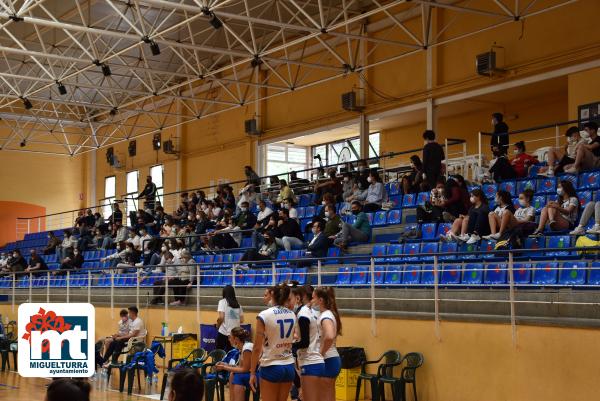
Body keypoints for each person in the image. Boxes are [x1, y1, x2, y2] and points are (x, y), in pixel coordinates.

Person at [249, 283, 297, 401]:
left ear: (272, 295)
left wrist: (252, 373)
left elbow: (256, 348)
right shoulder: (292, 314)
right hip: (289, 366)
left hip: (271, 365)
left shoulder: (264, 315)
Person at [294, 285, 322, 401]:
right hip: (314, 359)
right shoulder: (311, 312)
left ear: (302, 296)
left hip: (310, 361)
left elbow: (305, 342)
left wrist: (290, 344)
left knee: (307, 397)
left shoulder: (304, 314)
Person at [313, 287, 342, 401]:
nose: (312, 300)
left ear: (320, 300)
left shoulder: (326, 316)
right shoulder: (328, 314)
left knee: (323, 396)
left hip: (328, 360)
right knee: (328, 395)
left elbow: (329, 336)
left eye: (313, 298)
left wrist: (320, 353)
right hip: (332, 359)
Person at [215, 327, 253, 401]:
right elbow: (240, 367)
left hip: (259, 374)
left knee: (236, 377)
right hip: (251, 372)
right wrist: (225, 364)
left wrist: (224, 367)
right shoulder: (242, 348)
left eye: (230, 337)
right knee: (232, 374)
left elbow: (245, 369)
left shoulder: (247, 348)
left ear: (236, 339)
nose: (229, 339)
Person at [217, 285, 244, 352]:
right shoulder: (238, 305)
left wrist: (217, 326)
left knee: (219, 354)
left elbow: (221, 317)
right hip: (235, 334)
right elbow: (242, 320)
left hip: (224, 333)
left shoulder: (222, 302)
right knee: (232, 355)